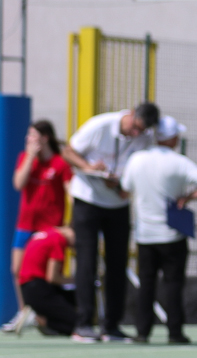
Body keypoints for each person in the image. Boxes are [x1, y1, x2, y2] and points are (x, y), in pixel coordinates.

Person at [62, 102, 159, 343]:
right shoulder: (100, 125)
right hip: (88, 198)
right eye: (135, 127)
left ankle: (112, 326)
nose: (136, 133)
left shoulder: (145, 138)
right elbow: (68, 151)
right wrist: (89, 167)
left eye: (141, 130)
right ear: (130, 114)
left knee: (117, 262)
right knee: (87, 260)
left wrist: (125, 186)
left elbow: (142, 169)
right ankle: (83, 324)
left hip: (117, 203)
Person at [121, 116, 197, 345]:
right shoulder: (179, 162)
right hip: (172, 234)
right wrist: (187, 198)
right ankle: (175, 332)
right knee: (173, 284)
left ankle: (142, 332)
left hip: (145, 235)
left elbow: (125, 189)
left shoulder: (137, 159)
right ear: (172, 138)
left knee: (146, 284)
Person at [4, 121, 70, 334]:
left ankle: (47, 317)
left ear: (45, 137)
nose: (28, 139)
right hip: (26, 224)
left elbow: (70, 192)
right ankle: (25, 312)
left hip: (49, 228)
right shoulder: (25, 158)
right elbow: (18, 183)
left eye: (32, 135)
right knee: (17, 270)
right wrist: (31, 156)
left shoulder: (59, 163)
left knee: (47, 274)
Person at [16, 226, 77, 337]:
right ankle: (38, 319)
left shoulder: (47, 233)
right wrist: (76, 281)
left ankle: (43, 320)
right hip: (38, 289)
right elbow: (53, 277)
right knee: (78, 324)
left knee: (71, 299)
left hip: (28, 288)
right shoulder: (58, 239)